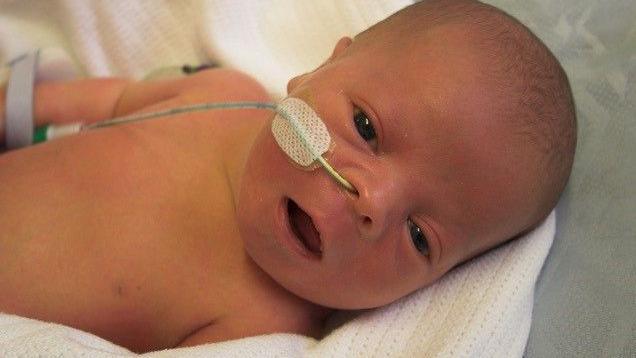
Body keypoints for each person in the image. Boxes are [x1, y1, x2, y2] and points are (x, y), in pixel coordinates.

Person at [0, 0, 576, 353]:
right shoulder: (222, 95)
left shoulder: (258, 325)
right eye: (367, 128)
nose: (372, 200)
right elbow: (109, 97)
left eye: (420, 237)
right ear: (321, 69)